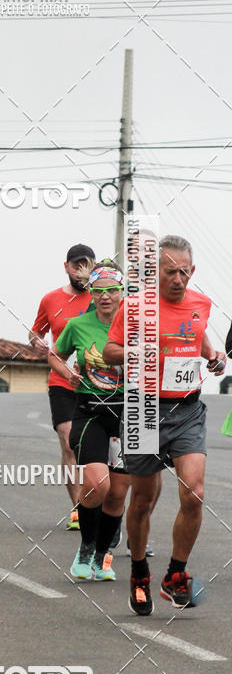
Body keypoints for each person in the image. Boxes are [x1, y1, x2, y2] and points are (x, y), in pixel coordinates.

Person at [103, 235, 226, 615]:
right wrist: (137, 350)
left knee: (195, 492)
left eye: (184, 272)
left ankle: (175, 575)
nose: (178, 279)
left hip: (187, 409)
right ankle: (139, 572)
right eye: (170, 271)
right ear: (155, 271)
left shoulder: (201, 303)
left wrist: (214, 356)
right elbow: (110, 352)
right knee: (142, 500)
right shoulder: (135, 307)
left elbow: (197, 334)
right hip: (144, 410)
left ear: (193, 270)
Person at [49, 261, 127, 581]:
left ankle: (101, 556)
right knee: (97, 483)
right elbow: (54, 354)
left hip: (129, 416)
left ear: (122, 292)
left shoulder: (137, 324)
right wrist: (68, 373)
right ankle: (85, 549)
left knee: (118, 494)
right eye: (99, 291)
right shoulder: (78, 325)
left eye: (112, 290)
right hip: (91, 411)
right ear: (91, 293)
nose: (105, 296)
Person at [29, 244, 95, 530]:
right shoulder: (51, 299)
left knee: (93, 446)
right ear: (66, 267)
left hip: (97, 383)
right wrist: (37, 342)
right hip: (62, 379)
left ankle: (97, 500)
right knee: (68, 441)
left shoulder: (102, 297)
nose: (81, 271)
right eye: (76, 265)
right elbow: (35, 332)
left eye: (87, 265)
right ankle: (79, 508)